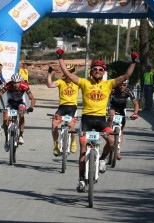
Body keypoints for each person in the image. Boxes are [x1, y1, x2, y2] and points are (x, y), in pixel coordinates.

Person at [56, 49, 138, 192]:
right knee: (82, 150)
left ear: (104, 72)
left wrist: (133, 61)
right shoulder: (83, 82)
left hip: (101, 120)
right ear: (91, 71)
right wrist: (61, 58)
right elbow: (68, 74)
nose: (97, 71)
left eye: (100, 69)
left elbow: (126, 75)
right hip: (87, 120)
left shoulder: (108, 84)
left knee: (112, 141)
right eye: (94, 69)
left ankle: (101, 159)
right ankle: (81, 179)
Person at [0, 73, 35, 150]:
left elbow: (32, 98)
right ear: (12, 82)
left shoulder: (24, 86)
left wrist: (31, 107)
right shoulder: (8, 86)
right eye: (14, 83)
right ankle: (6, 139)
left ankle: (21, 135)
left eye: (18, 82)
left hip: (20, 103)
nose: (16, 84)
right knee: (5, 117)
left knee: (21, 113)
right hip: (10, 103)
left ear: (20, 82)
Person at [47, 64, 79, 156]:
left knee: (71, 124)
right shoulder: (61, 81)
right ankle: (56, 144)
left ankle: (73, 141)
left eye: (70, 72)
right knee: (54, 123)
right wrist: (49, 74)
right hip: (62, 107)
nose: (67, 75)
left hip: (73, 107)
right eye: (66, 73)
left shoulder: (77, 82)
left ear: (73, 72)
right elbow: (50, 85)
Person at [108, 79, 139, 160]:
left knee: (121, 131)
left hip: (122, 109)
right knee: (111, 116)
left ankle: (118, 152)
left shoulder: (129, 91)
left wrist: (135, 113)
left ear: (126, 85)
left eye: (124, 85)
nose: (122, 87)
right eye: (121, 85)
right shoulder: (114, 89)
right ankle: (109, 130)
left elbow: (135, 103)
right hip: (113, 107)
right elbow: (106, 99)